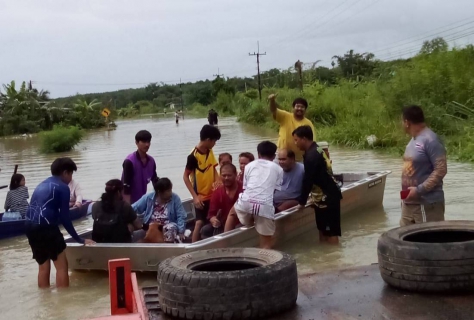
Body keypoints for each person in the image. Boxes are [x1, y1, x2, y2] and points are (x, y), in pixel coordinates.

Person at [25, 158, 94, 288]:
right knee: (62, 267)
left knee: (43, 267)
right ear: (65, 173)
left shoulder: (41, 184)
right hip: (46, 227)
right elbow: (65, 218)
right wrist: (79, 239)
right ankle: (64, 302)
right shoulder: (63, 188)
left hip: (29, 227)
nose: (71, 178)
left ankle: (45, 300)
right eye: (71, 174)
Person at [224, 141, 283, 249]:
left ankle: (225, 244)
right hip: (264, 206)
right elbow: (274, 191)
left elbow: (246, 189)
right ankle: (265, 263)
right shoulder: (278, 169)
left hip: (245, 203)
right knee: (265, 243)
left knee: (232, 213)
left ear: (258, 154)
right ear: (274, 156)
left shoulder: (249, 166)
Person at [293, 125, 342, 245]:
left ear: (304, 139)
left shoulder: (311, 156)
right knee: (323, 229)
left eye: (296, 140)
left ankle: (334, 258)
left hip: (327, 197)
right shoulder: (318, 148)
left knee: (331, 232)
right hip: (323, 195)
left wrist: (301, 202)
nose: (295, 143)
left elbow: (308, 180)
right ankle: (325, 258)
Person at [401, 105, 447, 226]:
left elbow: (441, 170)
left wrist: (419, 190)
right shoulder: (413, 140)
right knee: (403, 243)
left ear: (407, 122)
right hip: (409, 204)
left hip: (428, 204)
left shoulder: (431, 140)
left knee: (430, 243)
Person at [183, 124, 221, 242]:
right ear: (208, 140)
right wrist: (195, 197)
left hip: (213, 194)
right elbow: (185, 177)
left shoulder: (210, 151)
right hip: (201, 197)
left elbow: (213, 169)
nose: (215, 144)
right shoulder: (193, 156)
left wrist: (218, 182)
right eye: (214, 141)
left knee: (217, 219)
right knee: (199, 223)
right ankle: (193, 248)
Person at [132, 178, 187, 243]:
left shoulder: (175, 198)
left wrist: (181, 231)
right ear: (159, 192)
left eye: (171, 190)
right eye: (168, 191)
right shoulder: (149, 197)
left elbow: (181, 216)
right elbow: (133, 208)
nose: (170, 193)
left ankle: (168, 247)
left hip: (169, 224)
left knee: (169, 227)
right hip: (151, 225)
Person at [269, 94, 316, 162]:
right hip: (282, 155)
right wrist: (272, 101)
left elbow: (312, 142)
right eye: (297, 106)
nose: (299, 108)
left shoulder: (308, 123)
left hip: (299, 158)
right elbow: (273, 110)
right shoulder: (285, 116)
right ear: (293, 108)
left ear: (305, 109)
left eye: (302, 107)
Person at [201, 163, 243, 238]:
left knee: (238, 229)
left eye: (229, 175)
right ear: (220, 176)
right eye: (224, 175)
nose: (226, 178)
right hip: (222, 225)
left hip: (241, 223)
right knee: (205, 230)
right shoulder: (217, 192)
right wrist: (213, 219)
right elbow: (211, 214)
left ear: (235, 174)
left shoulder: (244, 189)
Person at [122, 130, 159, 204]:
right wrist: (129, 209)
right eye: (144, 142)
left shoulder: (151, 161)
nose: (147, 145)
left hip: (141, 201)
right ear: (136, 142)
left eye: (148, 142)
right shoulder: (129, 162)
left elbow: (155, 180)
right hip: (127, 202)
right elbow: (126, 187)